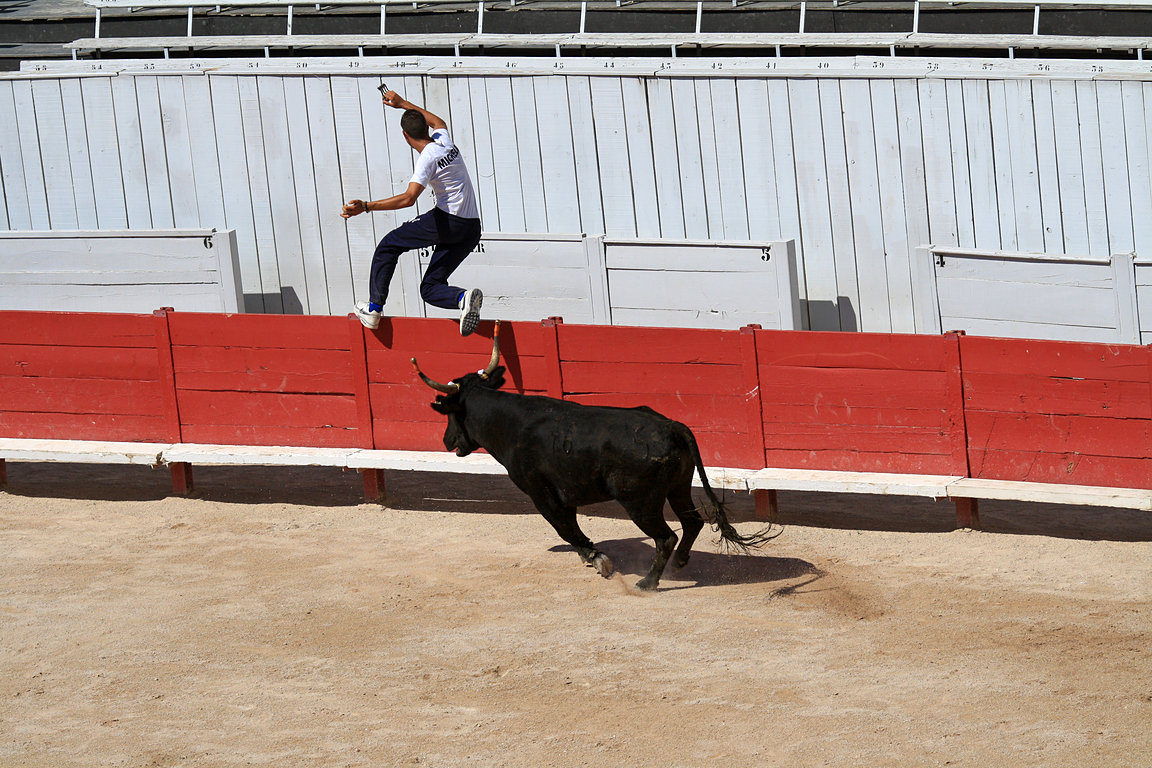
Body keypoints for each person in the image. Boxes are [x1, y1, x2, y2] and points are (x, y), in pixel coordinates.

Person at [341, 88, 484, 336]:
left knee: (389, 245)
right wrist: (402, 103)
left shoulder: (427, 158)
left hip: (448, 221)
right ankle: (462, 298)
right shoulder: (444, 142)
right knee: (429, 288)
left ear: (405, 136)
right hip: (471, 228)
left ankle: (374, 309)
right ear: (426, 131)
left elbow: (408, 199)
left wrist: (365, 207)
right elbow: (438, 121)